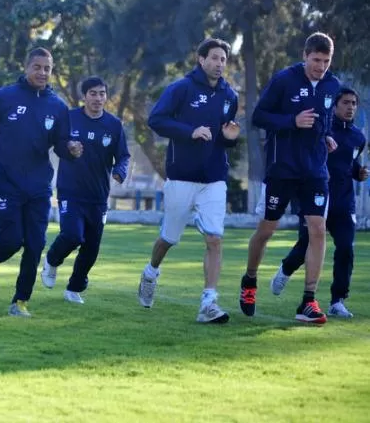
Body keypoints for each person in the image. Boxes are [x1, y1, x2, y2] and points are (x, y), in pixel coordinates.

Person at [137, 38, 239, 324]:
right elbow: (156, 120)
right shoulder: (181, 88)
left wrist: (230, 139)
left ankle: (209, 302)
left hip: (214, 179)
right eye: (215, 58)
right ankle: (150, 272)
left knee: (215, 239)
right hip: (181, 177)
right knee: (168, 238)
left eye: (223, 60)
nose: (220, 64)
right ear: (201, 59)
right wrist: (189, 131)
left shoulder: (230, 95)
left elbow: (222, 136)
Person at [241, 32, 341, 325]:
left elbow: (324, 120)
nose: (321, 66)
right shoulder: (284, 80)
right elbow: (258, 117)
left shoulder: (332, 85)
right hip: (282, 169)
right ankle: (249, 281)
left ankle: (308, 301)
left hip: (315, 171)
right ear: (305, 55)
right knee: (266, 230)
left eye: (326, 61)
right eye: (316, 60)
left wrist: (328, 136)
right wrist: (291, 121)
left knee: (318, 229)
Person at [0, 48, 80, 317]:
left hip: (39, 186)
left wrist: (72, 150)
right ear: (26, 67)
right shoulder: (5, 97)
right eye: (37, 67)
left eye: (47, 68)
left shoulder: (57, 106)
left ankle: (20, 301)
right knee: (10, 241)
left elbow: (61, 146)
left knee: (35, 244)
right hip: (6, 182)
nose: (42, 72)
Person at [269, 88, 367, 318]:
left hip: (344, 203)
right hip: (316, 198)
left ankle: (337, 301)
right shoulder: (322, 130)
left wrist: (359, 173)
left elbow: (348, 165)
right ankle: (285, 270)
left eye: (353, 103)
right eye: (345, 102)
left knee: (345, 249)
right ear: (334, 106)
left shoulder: (358, 138)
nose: (350, 107)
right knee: (306, 246)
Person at [42, 77, 130, 305]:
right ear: (84, 96)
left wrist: (120, 171)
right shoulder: (69, 118)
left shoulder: (113, 125)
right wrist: (68, 147)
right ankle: (52, 260)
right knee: (72, 235)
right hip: (70, 191)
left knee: (91, 246)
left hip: (98, 195)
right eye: (93, 93)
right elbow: (55, 144)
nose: (98, 98)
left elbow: (123, 155)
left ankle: (74, 288)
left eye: (102, 93)